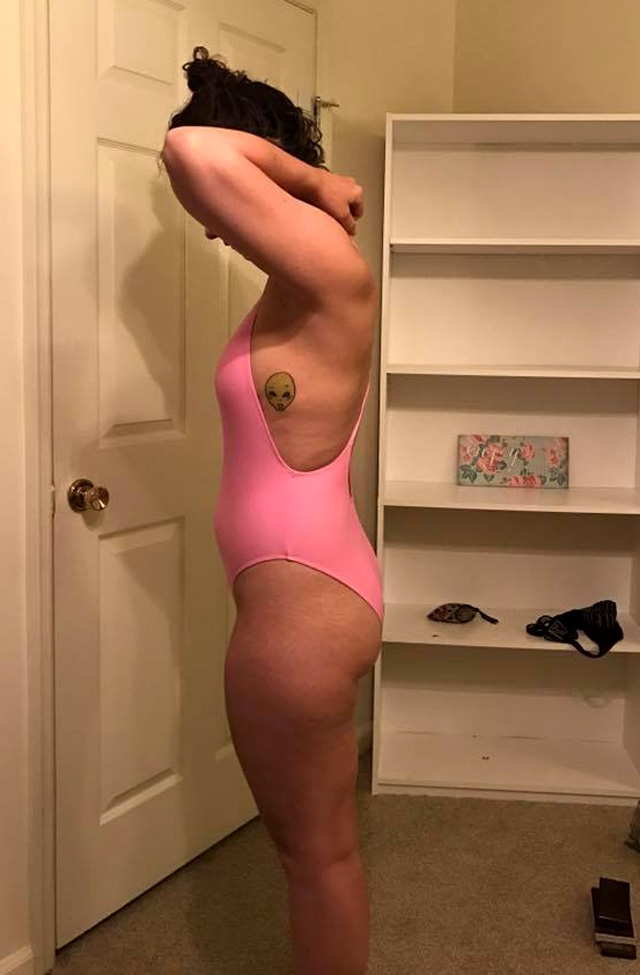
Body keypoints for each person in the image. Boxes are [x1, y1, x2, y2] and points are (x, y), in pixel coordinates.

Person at [161, 46, 384, 975]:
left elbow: (193, 153)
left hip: (302, 614)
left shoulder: (328, 272)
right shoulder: (297, 287)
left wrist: (312, 179)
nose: (209, 222)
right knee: (318, 853)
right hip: (306, 594)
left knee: (315, 859)